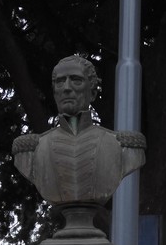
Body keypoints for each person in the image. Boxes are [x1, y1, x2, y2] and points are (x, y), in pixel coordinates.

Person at [12, 55, 146, 208]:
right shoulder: (30, 150)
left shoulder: (124, 146)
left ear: (93, 93)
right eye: (60, 82)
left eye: (76, 80)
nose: (67, 88)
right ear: (55, 92)